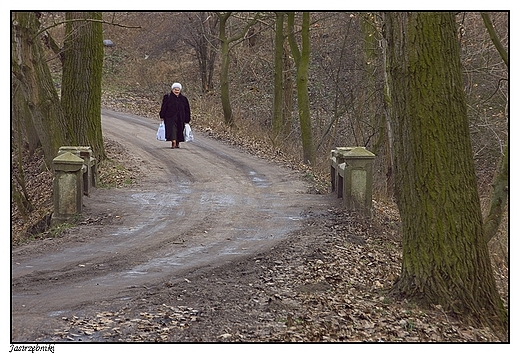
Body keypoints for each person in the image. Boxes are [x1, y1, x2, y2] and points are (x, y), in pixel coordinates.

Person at [159, 82, 191, 149]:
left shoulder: (183, 99)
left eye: (178, 90)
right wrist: (162, 115)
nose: (176, 91)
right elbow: (164, 107)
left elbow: (187, 109)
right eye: (175, 89)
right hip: (170, 117)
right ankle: (173, 141)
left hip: (181, 117)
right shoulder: (167, 97)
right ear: (172, 90)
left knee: (180, 129)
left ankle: (177, 142)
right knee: (172, 129)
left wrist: (187, 119)